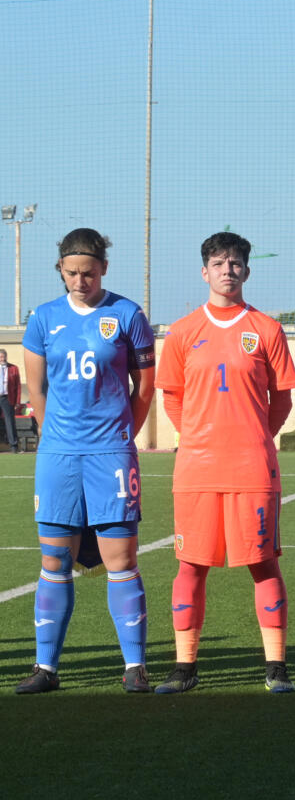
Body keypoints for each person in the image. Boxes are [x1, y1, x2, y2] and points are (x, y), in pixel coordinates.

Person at [153, 231, 295, 694]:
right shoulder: (181, 332)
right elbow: (172, 398)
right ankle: (185, 667)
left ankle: (276, 666)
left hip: (252, 469)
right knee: (190, 567)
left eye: (235, 263)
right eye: (219, 263)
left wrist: (253, 437)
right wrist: (199, 437)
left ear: (247, 271)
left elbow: (281, 401)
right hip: (196, 471)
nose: (227, 271)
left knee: (264, 564)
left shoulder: (267, 329)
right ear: (205, 272)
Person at [14, 228, 156, 694]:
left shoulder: (128, 315)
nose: (80, 281)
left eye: (89, 273)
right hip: (58, 456)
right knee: (54, 559)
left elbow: (145, 387)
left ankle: (135, 667)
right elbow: (37, 389)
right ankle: (46, 669)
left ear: (104, 269)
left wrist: (121, 434)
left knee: (121, 559)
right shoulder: (43, 318)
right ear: (61, 269)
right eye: (72, 273)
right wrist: (53, 435)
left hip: (110, 455)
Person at [1, 347, 21, 452]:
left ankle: (13, 446)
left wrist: (17, 401)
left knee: (10, 422)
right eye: (0, 357)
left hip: (7, 398)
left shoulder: (14, 368)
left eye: (3, 356)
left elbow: (18, 386)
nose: (2, 359)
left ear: (6, 357)